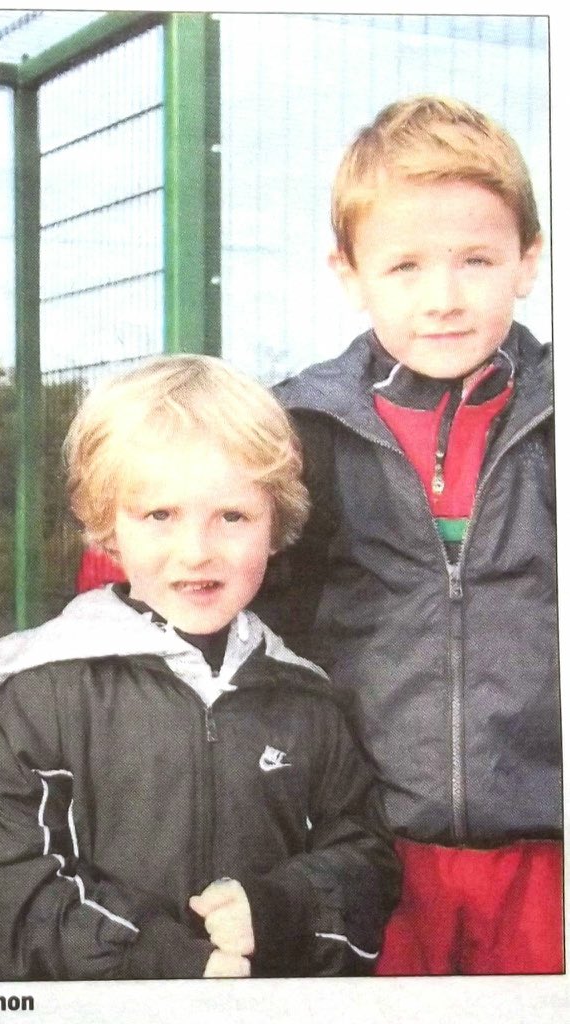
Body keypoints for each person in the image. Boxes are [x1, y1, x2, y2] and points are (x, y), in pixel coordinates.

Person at [0, 355, 399, 979]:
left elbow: (364, 861)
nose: (197, 551)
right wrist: (167, 965)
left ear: (276, 522)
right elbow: (7, 881)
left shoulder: (306, 698)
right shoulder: (44, 693)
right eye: (160, 516)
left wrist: (277, 910)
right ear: (107, 522)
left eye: (233, 517)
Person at [253, 96, 560, 975]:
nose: (444, 300)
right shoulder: (301, 431)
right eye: (405, 267)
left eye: (476, 261)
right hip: (366, 851)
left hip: (547, 855)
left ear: (528, 261)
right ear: (350, 274)